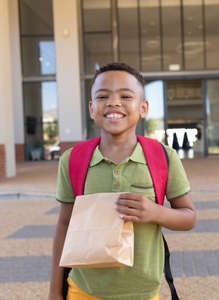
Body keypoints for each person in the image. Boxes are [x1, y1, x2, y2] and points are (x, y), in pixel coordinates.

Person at [48, 62, 196, 300]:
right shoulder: (72, 160)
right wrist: (55, 292)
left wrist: (155, 213)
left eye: (125, 96)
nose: (113, 102)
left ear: (143, 107)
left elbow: (189, 217)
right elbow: (64, 225)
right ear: (91, 108)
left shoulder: (163, 157)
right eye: (103, 96)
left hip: (143, 294)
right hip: (83, 291)